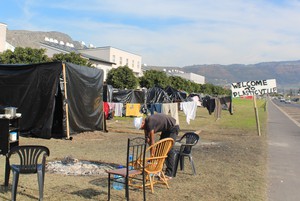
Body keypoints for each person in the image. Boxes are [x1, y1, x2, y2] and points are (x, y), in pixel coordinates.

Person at [140, 113, 180, 179]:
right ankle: (158, 169)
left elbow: (152, 141)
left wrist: (152, 155)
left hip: (173, 127)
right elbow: (147, 138)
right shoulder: (146, 123)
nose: (142, 129)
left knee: (168, 149)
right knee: (159, 148)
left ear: (143, 123)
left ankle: (169, 174)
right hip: (166, 129)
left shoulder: (149, 122)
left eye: (142, 128)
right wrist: (147, 138)